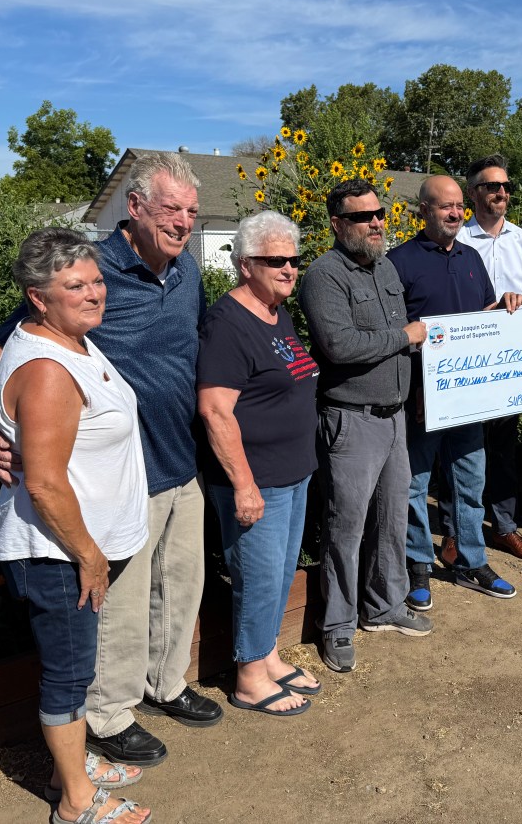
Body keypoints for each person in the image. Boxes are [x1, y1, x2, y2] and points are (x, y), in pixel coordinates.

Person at [0, 152, 221, 769]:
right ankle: (110, 714)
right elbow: (3, 343)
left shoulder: (187, 270)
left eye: (192, 211)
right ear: (134, 207)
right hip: (122, 476)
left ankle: (165, 684)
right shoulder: (89, 271)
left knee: (180, 588)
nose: (184, 222)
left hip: (181, 458)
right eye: (171, 209)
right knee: (121, 607)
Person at [0, 229, 151, 824]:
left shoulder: (70, 339)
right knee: (69, 675)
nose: (94, 293)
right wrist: (89, 554)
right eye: (75, 285)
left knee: (76, 670)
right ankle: (75, 802)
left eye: (97, 281)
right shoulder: (47, 369)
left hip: (74, 547)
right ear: (38, 297)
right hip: (56, 552)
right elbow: (46, 484)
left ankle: (69, 769)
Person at [299, 180, 433, 676]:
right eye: (363, 216)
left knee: (392, 519)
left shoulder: (386, 267)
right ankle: (337, 623)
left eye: (379, 214)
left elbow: (405, 340)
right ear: (338, 224)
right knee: (346, 527)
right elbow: (340, 346)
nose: (376, 222)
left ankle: (384, 605)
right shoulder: (324, 276)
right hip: (350, 420)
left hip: (394, 416)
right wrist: (404, 336)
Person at [197, 211, 321, 716]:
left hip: (292, 473)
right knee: (258, 577)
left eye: (294, 259)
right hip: (258, 479)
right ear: (246, 264)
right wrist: (243, 484)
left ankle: (267, 655)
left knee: (280, 573)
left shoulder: (275, 313)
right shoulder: (228, 323)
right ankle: (249, 676)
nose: (289, 268)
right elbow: (215, 409)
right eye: (276, 260)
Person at [387, 175, 522, 611]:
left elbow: (482, 318)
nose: (454, 213)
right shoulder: (399, 262)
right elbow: (394, 333)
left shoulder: (471, 257)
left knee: (470, 482)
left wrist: (505, 305)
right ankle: (417, 565)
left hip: (468, 398)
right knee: (415, 484)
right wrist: (417, 388)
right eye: (444, 206)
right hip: (421, 400)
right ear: (423, 211)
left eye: (458, 207)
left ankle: (471, 562)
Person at [437, 154, 522, 563]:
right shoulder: (457, 238)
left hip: (507, 364)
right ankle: (453, 530)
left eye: (506, 186)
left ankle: (504, 527)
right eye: (492, 186)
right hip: (465, 363)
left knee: (502, 450)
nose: (501, 192)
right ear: (473, 192)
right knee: (458, 450)